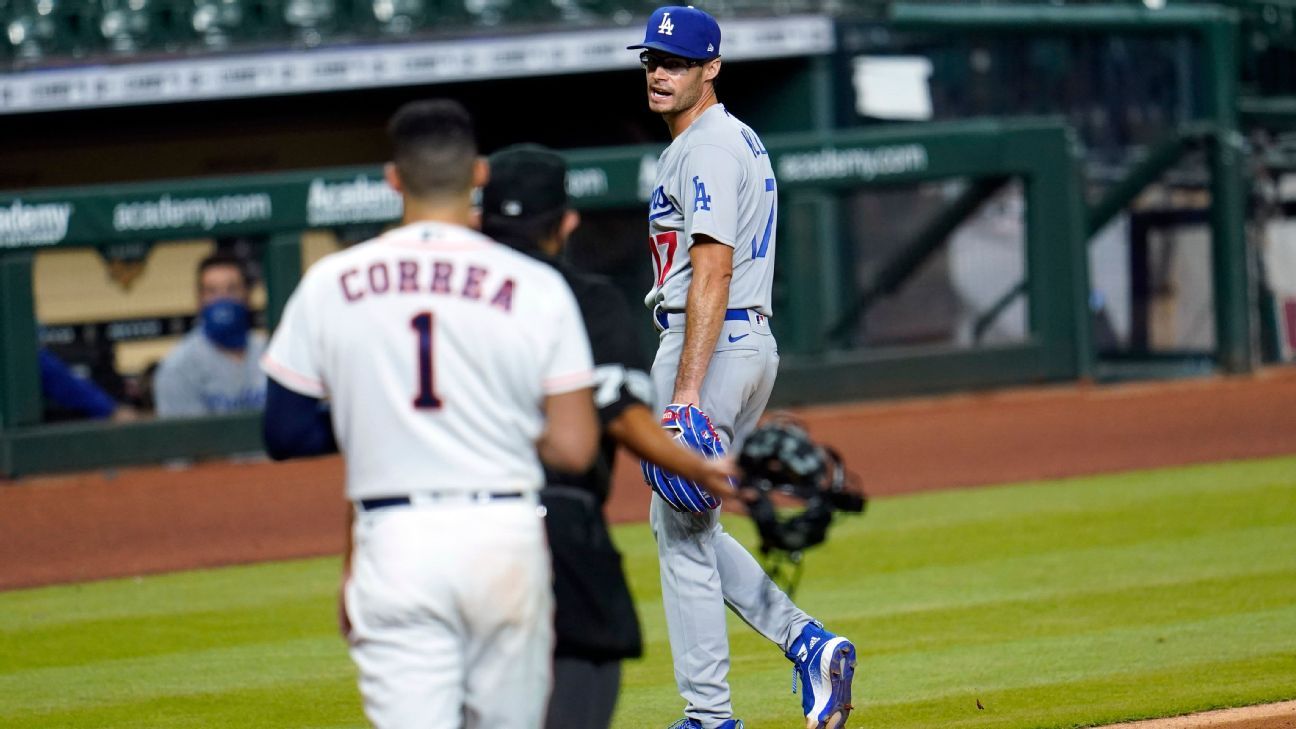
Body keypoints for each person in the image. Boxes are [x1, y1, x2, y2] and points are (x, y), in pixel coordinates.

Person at [259, 99, 600, 729]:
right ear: (478, 174)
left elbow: (283, 431)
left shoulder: (331, 281)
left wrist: (382, 419)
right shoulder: (534, 284)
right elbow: (576, 448)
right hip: (505, 533)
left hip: (395, 540)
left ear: (393, 178)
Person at [627, 7, 858, 729]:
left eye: (677, 62)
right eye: (653, 61)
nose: (660, 73)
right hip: (735, 340)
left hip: (713, 342)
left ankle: (710, 714)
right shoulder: (725, 141)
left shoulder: (710, 146)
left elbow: (713, 266)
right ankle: (808, 644)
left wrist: (688, 391)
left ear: (711, 68)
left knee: (682, 531)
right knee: (687, 524)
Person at [479, 144, 738, 729]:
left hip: (444, 531)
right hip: (554, 529)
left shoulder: (440, 301)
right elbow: (621, 417)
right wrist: (705, 469)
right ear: (567, 221)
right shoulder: (582, 298)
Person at [154, 253, 266, 417]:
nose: (222, 299)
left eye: (232, 289)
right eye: (212, 291)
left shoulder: (270, 352)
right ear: (199, 300)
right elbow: (184, 439)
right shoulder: (178, 367)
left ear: (248, 296)